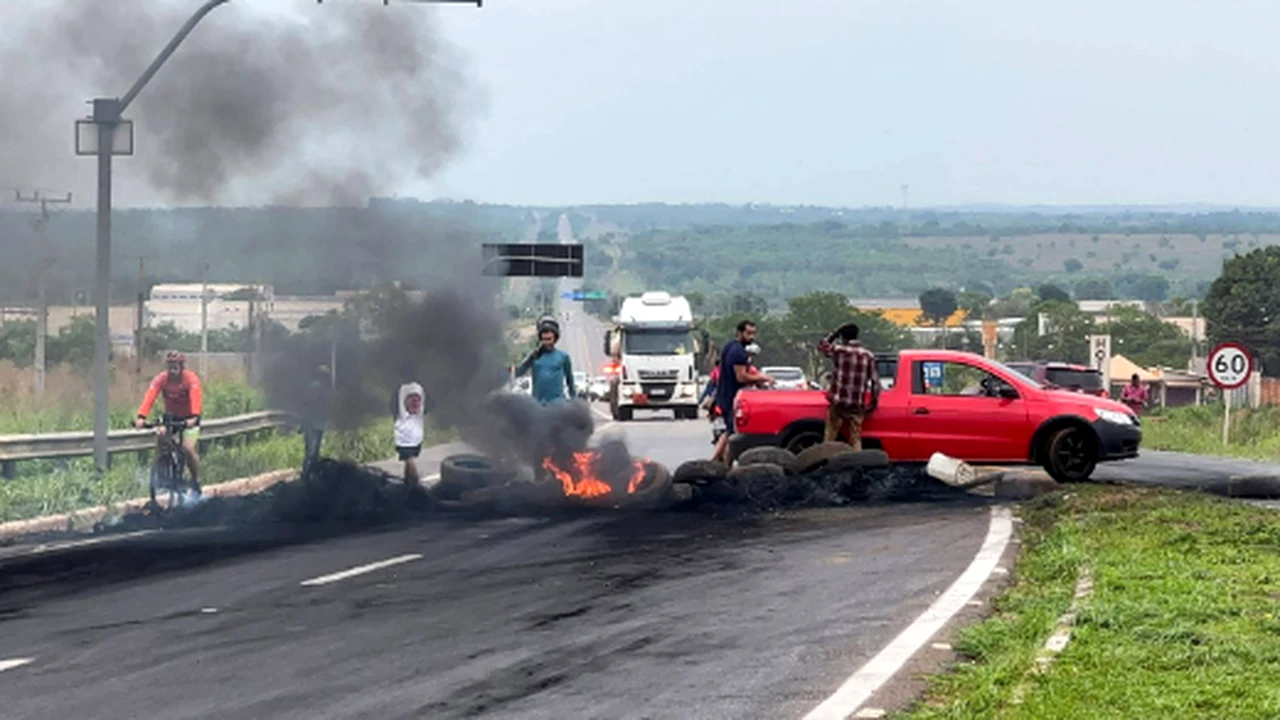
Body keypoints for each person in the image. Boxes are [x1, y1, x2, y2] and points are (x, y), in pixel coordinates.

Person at [135, 350, 204, 495]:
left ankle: (195, 479)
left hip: (189, 418)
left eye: (176, 366)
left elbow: (196, 397)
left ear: (181, 366)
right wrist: (141, 416)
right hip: (171, 417)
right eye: (170, 365)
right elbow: (150, 396)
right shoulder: (161, 379)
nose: (173, 369)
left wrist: (194, 416)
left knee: (187, 448)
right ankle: (162, 472)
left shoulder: (190, 379)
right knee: (161, 436)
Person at [712, 320, 775, 463]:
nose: (752, 337)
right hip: (732, 398)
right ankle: (725, 468)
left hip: (724, 395)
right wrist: (762, 378)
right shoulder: (738, 352)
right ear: (740, 333)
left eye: (753, 333)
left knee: (728, 432)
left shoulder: (729, 346)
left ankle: (714, 462)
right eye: (748, 333)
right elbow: (741, 377)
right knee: (734, 435)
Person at [817, 321, 879, 450]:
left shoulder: (839, 351)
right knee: (855, 439)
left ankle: (826, 461)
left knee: (830, 436)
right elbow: (875, 382)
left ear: (842, 337)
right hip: (857, 404)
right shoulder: (868, 355)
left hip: (838, 402)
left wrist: (834, 333)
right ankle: (857, 464)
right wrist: (873, 402)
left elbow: (822, 346)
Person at [513, 320, 576, 404]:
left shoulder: (563, 357)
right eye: (544, 334)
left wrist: (574, 402)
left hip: (557, 406)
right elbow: (519, 372)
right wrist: (530, 359)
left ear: (555, 337)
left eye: (549, 335)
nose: (546, 337)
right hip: (538, 405)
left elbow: (570, 381)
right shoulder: (534, 356)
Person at [392, 368, 428, 486]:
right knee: (409, 460)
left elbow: (395, 407)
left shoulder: (401, 390)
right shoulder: (419, 389)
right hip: (415, 432)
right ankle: (410, 483)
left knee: (409, 460)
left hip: (405, 432)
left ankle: (413, 484)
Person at [302, 364, 331, 473]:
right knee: (312, 452)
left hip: (317, 424)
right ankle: (307, 473)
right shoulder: (316, 387)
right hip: (313, 424)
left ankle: (310, 473)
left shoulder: (321, 388)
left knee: (313, 452)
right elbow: (311, 405)